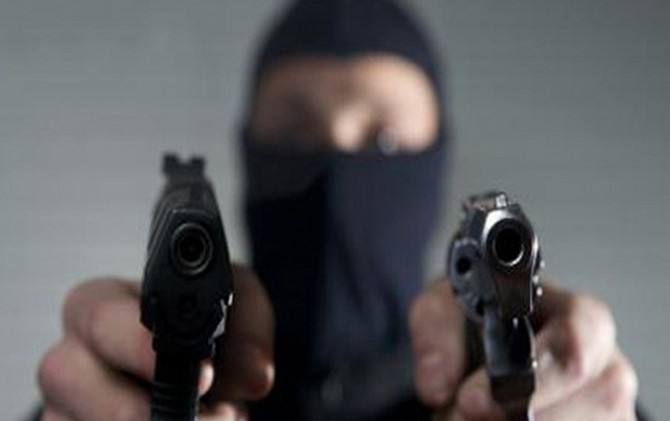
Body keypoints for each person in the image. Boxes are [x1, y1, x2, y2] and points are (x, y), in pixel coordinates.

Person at [35, 0, 642, 420]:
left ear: (434, 165)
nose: (336, 170)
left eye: (384, 142)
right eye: (295, 135)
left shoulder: (490, 390)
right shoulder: (167, 386)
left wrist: (583, 395)